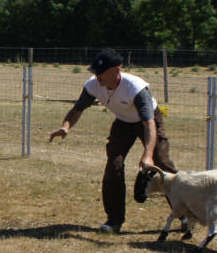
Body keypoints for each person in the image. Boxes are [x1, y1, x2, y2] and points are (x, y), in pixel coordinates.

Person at [49, 48, 178, 233]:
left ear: (116, 70)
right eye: (95, 72)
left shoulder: (135, 87)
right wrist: (65, 127)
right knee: (113, 165)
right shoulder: (93, 85)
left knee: (162, 163)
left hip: (148, 121)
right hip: (123, 122)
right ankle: (114, 219)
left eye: (100, 73)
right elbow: (77, 109)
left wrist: (147, 156)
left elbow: (149, 123)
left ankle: (186, 214)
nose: (97, 76)